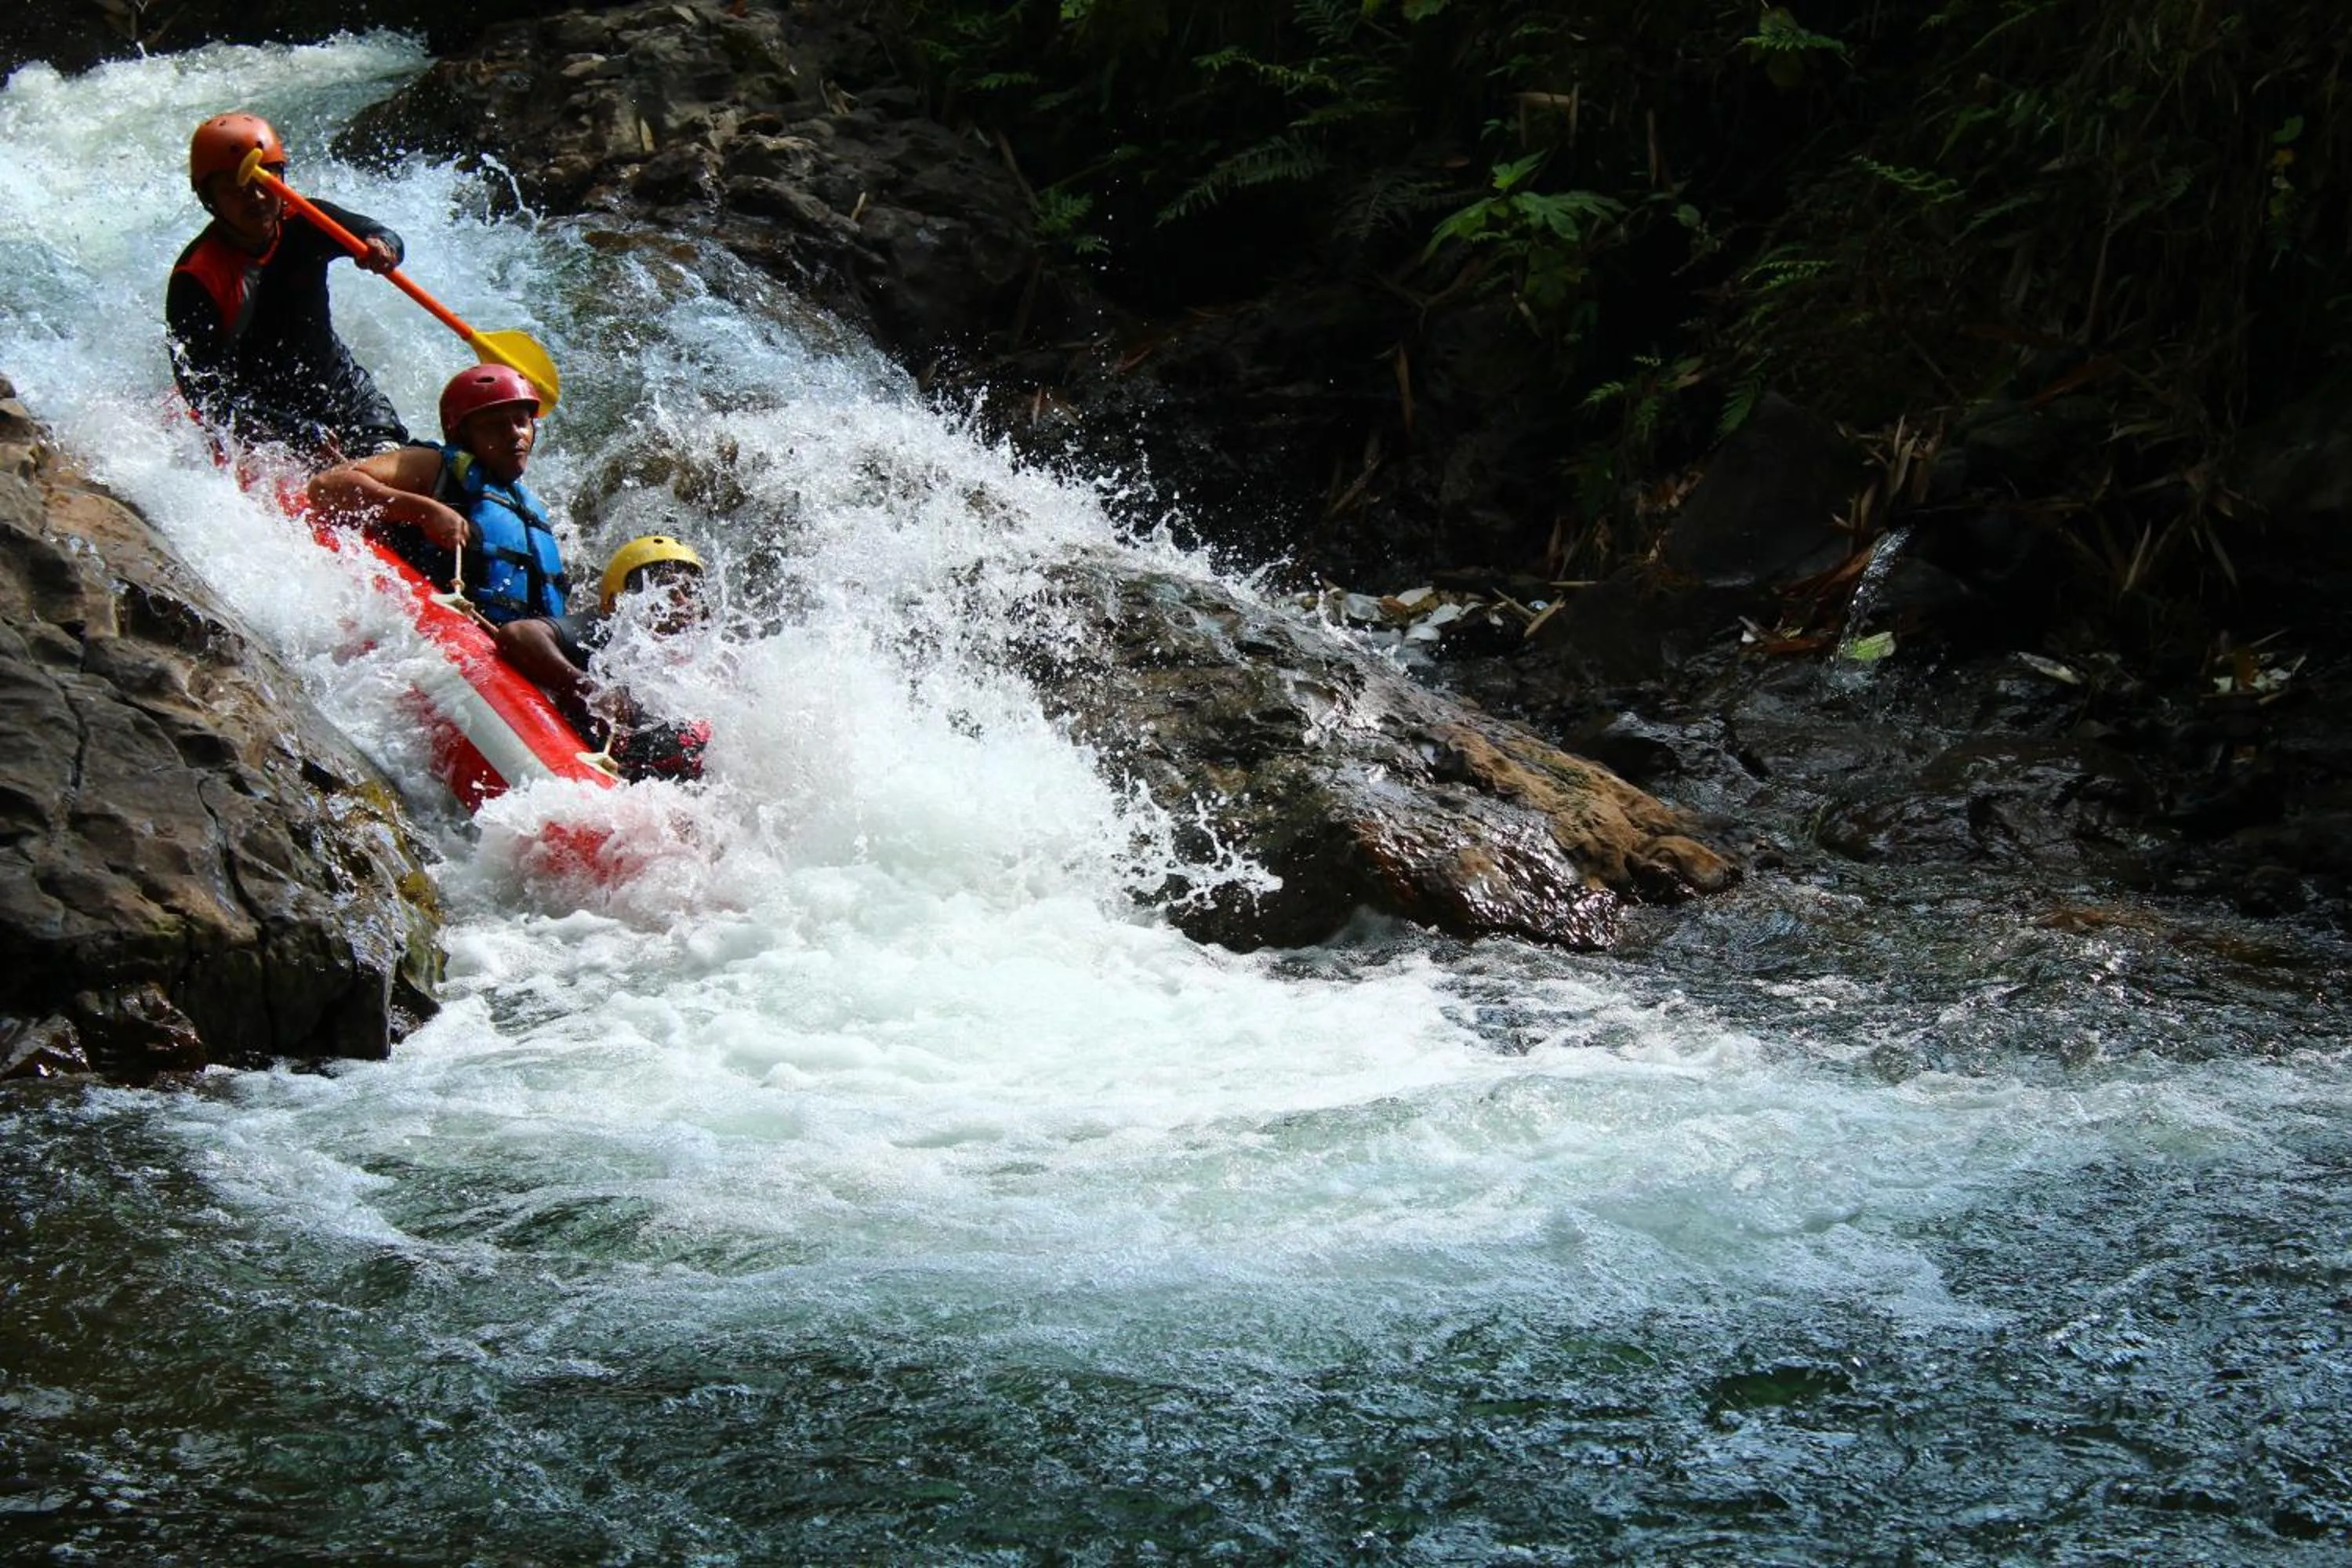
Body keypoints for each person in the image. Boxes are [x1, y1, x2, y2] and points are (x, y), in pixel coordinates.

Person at [308, 372, 707, 779]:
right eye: (497, 425)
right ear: (462, 433)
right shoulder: (435, 466)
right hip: (462, 637)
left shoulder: (532, 509)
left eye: (522, 422)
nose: (515, 434)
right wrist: (422, 509)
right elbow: (327, 487)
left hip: (523, 666)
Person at [166, 111, 410, 462]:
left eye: (263, 181)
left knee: (401, 473)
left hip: (346, 396)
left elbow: (380, 234)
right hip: (267, 420)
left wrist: (384, 248)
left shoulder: (306, 221)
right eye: (234, 188)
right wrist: (287, 429)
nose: (255, 198)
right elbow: (202, 393)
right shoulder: (197, 276)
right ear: (210, 200)